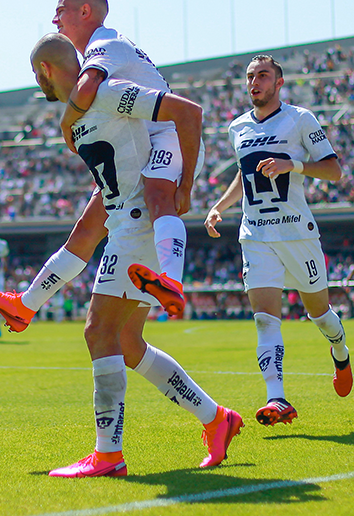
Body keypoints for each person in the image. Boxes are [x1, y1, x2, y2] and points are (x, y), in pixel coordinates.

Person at [27, 34, 240, 478]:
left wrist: (183, 184)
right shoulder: (84, 109)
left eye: (36, 74)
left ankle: (109, 455)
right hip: (131, 220)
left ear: (46, 70)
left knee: (99, 331)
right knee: (126, 342)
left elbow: (183, 113)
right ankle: (216, 418)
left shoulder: (105, 89)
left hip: (139, 222)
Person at [0, 0, 200, 327]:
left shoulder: (106, 42)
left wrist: (66, 123)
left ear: (85, 11)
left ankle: (172, 280)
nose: (55, 19)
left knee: (158, 195)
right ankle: (25, 305)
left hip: (168, 133)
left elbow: (87, 89)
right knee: (86, 229)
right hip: (141, 146)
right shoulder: (98, 53)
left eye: (61, 10)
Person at [204, 54, 351, 428]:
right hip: (256, 234)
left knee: (320, 314)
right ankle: (277, 398)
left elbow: (334, 171)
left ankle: (340, 350)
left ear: (279, 82)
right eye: (250, 76)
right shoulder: (237, 127)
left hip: (297, 233)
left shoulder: (300, 119)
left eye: (263, 75)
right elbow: (244, 175)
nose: (255, 82)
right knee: (265, 320)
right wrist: (219, 206)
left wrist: (293, 165)